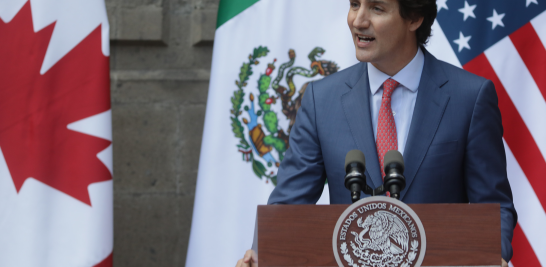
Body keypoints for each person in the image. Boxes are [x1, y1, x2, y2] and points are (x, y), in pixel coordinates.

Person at [236, 0, 516, 266]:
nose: (358, 20)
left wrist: (492, 255)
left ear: (414, 18)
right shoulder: (321, 100)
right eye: (354, 4)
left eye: (377, 8)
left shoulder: (470, 97)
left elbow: (494, 207)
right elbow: (288, 206)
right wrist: (261, 257)